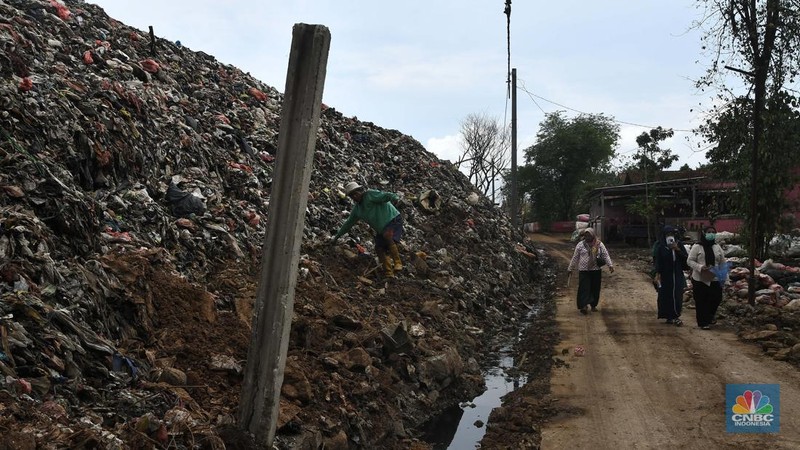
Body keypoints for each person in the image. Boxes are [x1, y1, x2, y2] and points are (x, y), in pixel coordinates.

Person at [332, 181, 404, 278]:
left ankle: (398, 262)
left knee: (387, 235)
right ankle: (388, 273)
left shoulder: (370, 195)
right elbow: (348, 224)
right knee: (378, 248)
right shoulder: (358, 210)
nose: (355, 196)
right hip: (381, 229)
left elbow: (386, 196)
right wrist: (336, 237)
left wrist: (395, 198)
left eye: (356, 193)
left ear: (360, 191)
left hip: (393, 219)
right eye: (352, 195)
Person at [567, 227, 614, 314]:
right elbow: (575, 257)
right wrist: (570, 268)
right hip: (584, 270)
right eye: (586, 235)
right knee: (584, 288)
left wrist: (610, 265)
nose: (587, 237)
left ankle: (593, 305)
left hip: (595, 270)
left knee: (595, 288)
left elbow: (605, 255)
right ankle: (584, 306)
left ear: (593, 235)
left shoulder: (599, 244)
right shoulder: (580, 245)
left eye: (589, 235)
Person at [687, 225, 726, 329]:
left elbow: (722, 262)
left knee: (716, 298)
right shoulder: (697, 247)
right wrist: (700, 267)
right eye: (709, 232)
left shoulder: (717, 247)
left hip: (714, 278)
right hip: (700, 278)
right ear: (704, 233)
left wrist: (724, 278)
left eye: (713, 232)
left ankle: (709, 317)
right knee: (701, 300)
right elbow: (689, 261)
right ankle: (703, 322)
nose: (711, 234)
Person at [652, 225, 689, 326]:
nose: (670, 236)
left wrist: (677, 249)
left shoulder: (679, 245)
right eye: (668, 234)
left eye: (672, 234)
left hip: (677, 274)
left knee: (677, 295)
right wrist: (657, 274)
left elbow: (686, 259)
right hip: (665, 275)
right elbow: (658, 262)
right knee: (666, 295)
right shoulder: (661, 247)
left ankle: (676, 315)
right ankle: (668, 315)